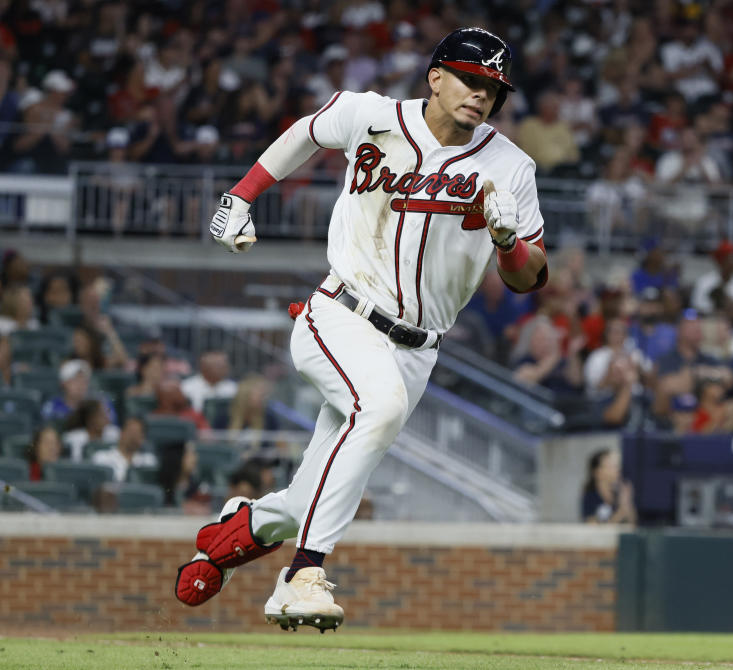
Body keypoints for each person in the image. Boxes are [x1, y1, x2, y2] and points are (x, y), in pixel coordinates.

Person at [174, 28, 548, 634]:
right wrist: (242, 196)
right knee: (376, 408)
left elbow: (530, 278)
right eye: (469, 79)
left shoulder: (511, 167)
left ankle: (231, 535)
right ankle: (302, 575)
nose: (481, 95)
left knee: (313, 493)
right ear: (435, 77)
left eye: (492, 88)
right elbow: (304, 132)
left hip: (418, 348)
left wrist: (506, 241)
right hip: (341, 312)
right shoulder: (369, 115)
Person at [92, 416, 157, 482]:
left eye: (137, 433)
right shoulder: (102, 457)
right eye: (130, 431)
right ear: (122, 432)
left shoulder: (149, 461)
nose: (133, 436)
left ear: (143, 438)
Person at [581, 448, 636, 525]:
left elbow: (632, 524)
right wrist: (621, 513)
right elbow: (593, 528)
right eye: (610, 465)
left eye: (617, 465)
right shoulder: (591, 496)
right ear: (597, 472)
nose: (617, 469)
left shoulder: (619, 492)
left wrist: (627, 502)